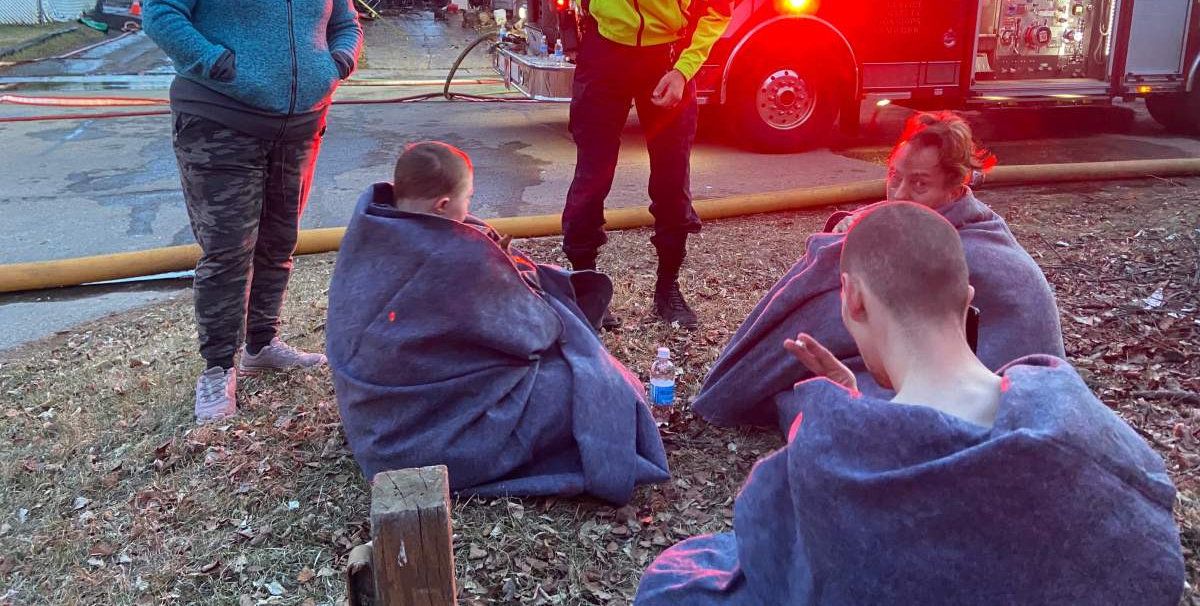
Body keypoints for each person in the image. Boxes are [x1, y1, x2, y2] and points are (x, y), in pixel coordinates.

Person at [636, 203, 1185, 605]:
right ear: (968, 299)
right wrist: (855, 407)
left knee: (672, 585)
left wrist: (832, 425)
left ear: (849, 297)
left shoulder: (838, 456)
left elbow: (784, 554)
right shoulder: (1071, 408)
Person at [143, 0, 362, 425]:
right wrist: (217, 63)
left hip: (299, 126)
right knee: (226, 250)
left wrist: (338, 63)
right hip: (219, 123)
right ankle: (217, 367)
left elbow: (346, 21)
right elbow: (161, 11)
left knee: (278, 241)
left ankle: (262, 345)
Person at [325, 141, 670, 505]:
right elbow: (534, 333)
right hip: (424, 433)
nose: (469, 209)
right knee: (593, 387)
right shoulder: (453, 255)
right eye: (467, 199)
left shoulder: (370, 229)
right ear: (443, 205)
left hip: (373, 420)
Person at [692, 111, 1065, 432]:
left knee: (812, 397)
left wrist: (842, 245)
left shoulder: (973, 250)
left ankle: (744, 388)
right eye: (894, 176)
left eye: (919, 183)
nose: (899, 193)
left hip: (994, 392)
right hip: (950, 380)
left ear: (956, 189)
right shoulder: (922, 217)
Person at [538, 0, 737, 329]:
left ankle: (668, 291)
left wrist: (684, 69)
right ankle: (584, 290)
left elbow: (718, 8)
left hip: (666, 64)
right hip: (603, 52)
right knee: (591, 177)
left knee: (670, 185)